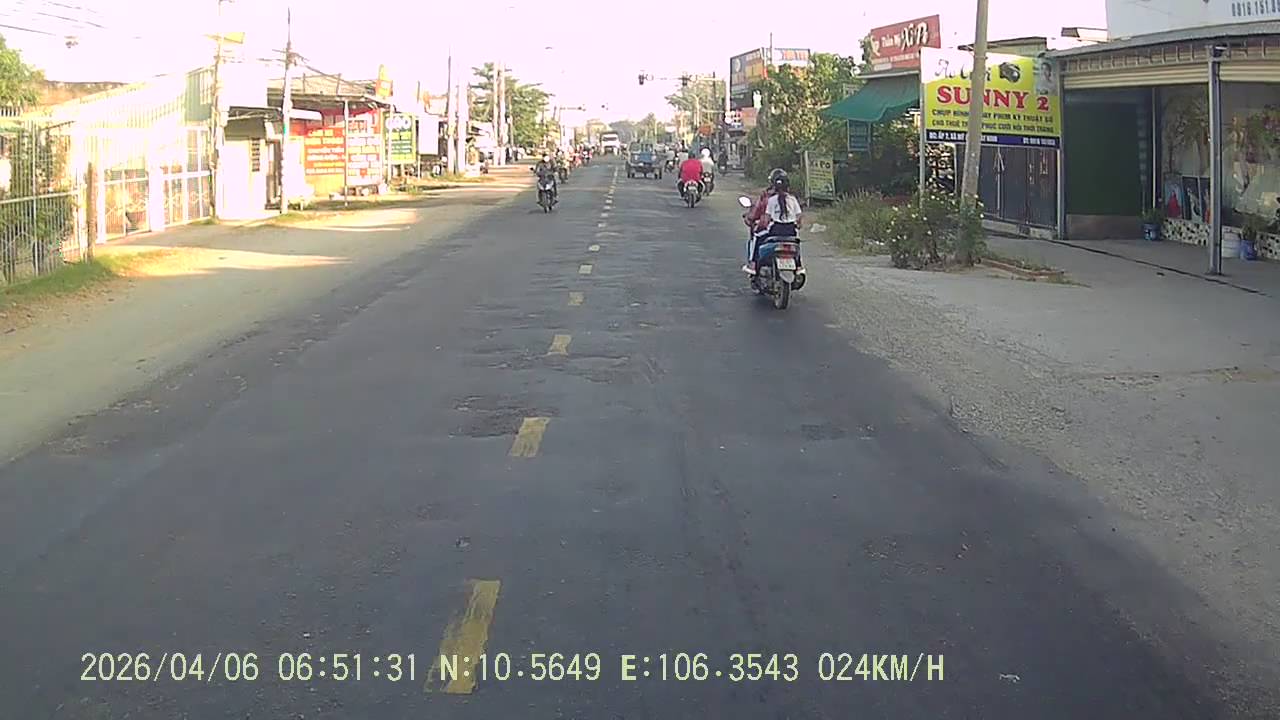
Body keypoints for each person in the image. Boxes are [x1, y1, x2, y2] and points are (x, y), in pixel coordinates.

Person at [743, 169, 802, 274]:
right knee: (796, 244)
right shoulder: (792, 199)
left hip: (775, 231)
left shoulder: (770, 199)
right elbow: (799, 218)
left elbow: (766, 219)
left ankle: (753, 265)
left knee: (757, 237)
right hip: (791, 232)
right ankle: (799, 266)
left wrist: (761, 225)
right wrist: (797, 225)